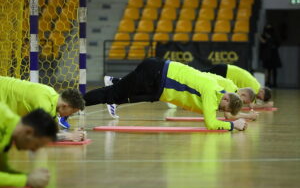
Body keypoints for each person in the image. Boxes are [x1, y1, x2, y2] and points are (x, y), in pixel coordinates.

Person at [85, 58, 247, 131]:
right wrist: (233, 125)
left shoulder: (215, 86)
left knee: (146, 97)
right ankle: (75, 103)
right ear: (225, 97)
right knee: (110, 95)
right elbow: (211, 124)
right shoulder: (211, 94)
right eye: (221, 107)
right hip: (154, 75)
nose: (217, 109)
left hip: (158, 84)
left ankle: (117, 83)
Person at [105, 71, 258, 120]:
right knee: (149, 91)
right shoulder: (230, 91)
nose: (244, 104)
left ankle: (115, 83)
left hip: (193, 83)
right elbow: (227, 115)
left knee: (149, 91)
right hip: (190, 85)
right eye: (245, 101)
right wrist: (247, 116)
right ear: (243, 94)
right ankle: (115, 96)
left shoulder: (231, 90)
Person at [0, 76, 85, 141]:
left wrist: (76, 134)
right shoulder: (43, 104)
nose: (70, 115)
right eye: (72, 112)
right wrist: (70, 136)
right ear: (65, 106)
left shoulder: (51, 95)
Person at [0, 102, 57, 188]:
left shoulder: (8, 125)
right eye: (36, 145)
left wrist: (29, 177)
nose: (33, 150)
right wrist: (26, 180)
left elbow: (3, 170)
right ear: (28, 132)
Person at [202, 64, 273, 108]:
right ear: (262, 92)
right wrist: (266, 106)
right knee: (199, 75)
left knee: (199, 73)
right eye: (260, 97)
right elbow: (251, 106)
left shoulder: (256, 84)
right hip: (225, 73)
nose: (258, 98)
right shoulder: (255, 89)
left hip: (226, 69)